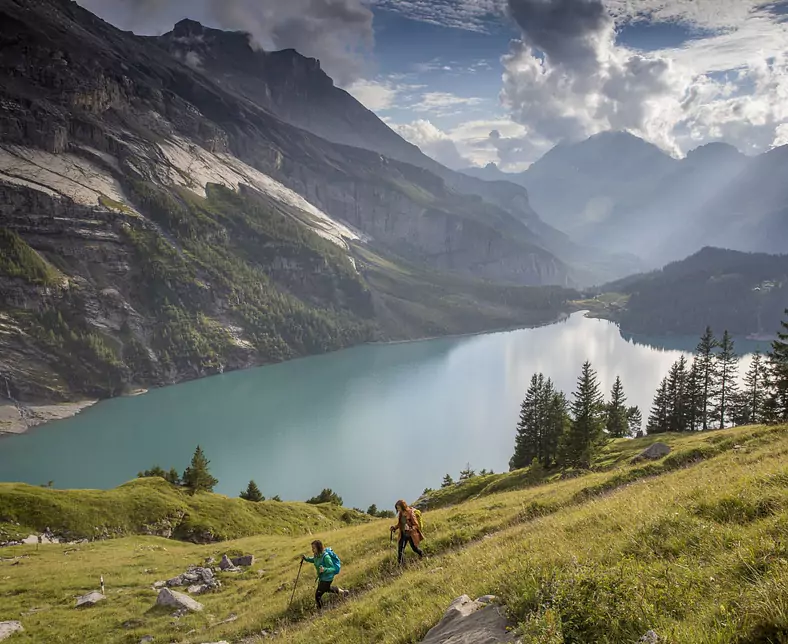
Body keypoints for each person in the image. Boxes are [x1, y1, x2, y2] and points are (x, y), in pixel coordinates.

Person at [302, 539, 349, 609]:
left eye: (314, 548)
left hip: (327, 579)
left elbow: (332, 568)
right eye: (312, 548)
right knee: (328, 589)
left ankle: (321, 611)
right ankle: (344, 592)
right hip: (322, 578)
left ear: (318, 547)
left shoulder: (326, 557)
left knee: (317, 596)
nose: (312, 550)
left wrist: (325, 569)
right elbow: (314, 560)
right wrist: (306, 559)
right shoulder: (316, 555)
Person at [390, 499, 424, 565]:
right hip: (402, 534)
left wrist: (411, 528)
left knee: (414, 548)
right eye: (397, 508)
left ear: (403, 506)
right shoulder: (400, 513)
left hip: (410, 534)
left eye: (399, 508)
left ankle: (422, 554)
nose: (398, 509)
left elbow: (416, 525)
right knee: (400, 550)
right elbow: (400, 524)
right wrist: (394, 527)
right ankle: (400, 564)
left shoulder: (410, 513)